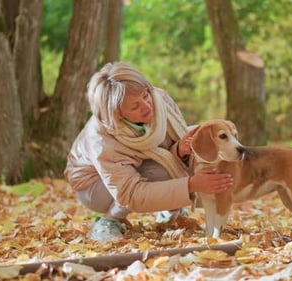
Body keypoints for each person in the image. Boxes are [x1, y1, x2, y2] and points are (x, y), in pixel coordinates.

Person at [64, 62, 234, 243]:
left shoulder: (158, 98)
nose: (147, 106)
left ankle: (169, 211)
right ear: (117, 115)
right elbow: (130, 194)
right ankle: (109, 220)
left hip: (138, 167)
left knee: (197, 140)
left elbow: (168, 148)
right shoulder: (102, 140)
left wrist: (179, 149)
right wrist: (191, 185)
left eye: (145, 95)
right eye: (135, 107)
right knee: (163, 169)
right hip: (94, 187)